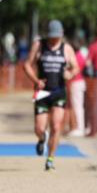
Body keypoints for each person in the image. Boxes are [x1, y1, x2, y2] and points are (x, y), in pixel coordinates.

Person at [23, 20, 79, 170]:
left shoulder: (66, 48)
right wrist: (35, 80)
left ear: (61, 35)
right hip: (41, 92)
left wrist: (70, 73)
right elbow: (27, 65)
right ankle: (42, 139)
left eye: (57, 37)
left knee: (56, 125)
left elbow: (76, 67)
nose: (54, 40)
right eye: (52, 37)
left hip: (59, 91)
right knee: (39, 128)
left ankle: (50, 159)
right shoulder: (39, 45)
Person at [65, 36, 88, 137]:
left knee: (77, 106)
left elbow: (75, 69)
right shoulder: (80, 55)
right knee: (77, 106)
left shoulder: (77, 57)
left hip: (76, 82)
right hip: (78, 82)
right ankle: (80, 127)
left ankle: (79, 128)